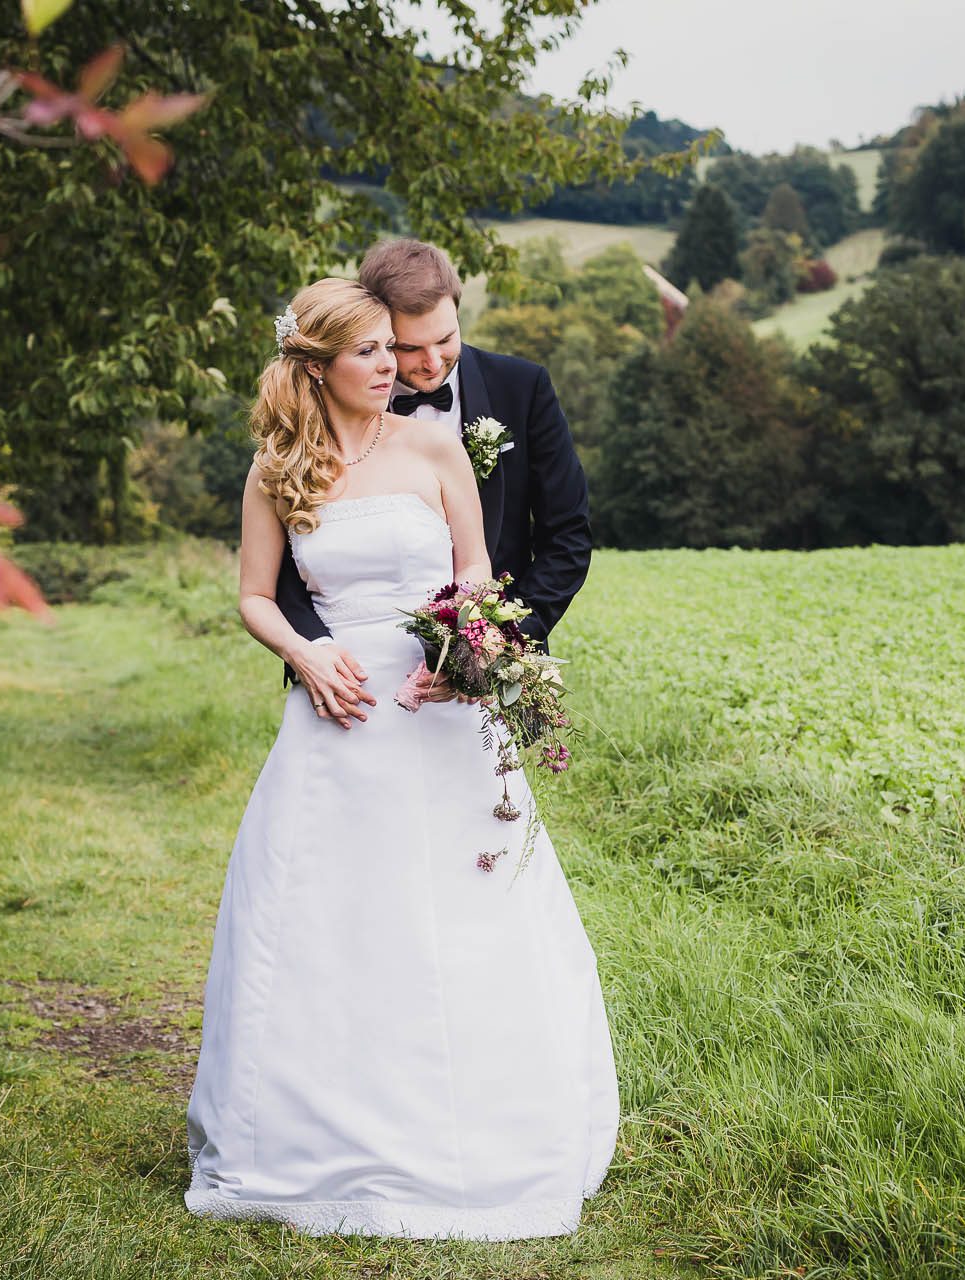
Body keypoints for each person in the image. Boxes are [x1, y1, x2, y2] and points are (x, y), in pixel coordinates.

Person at [183, 277, 618, 1239]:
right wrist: (303, 652)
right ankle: (309, 1132)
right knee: (333, 916)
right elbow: (256, 595)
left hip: (440, 708)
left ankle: (485, 1125)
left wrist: (467, 652)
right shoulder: (274, 469)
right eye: (372, 352)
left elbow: (473, 571)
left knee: (467, 910)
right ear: (317, 367)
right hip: (338, 712)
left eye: (397, 348)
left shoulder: (433, 446)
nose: (396, 367)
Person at [273, 237, 593, 728]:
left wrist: (488, 647)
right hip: (349, 684)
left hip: (483, 674)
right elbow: (288, 558)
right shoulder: (314, 421)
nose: (432, 361)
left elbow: (566, 537)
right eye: (408, 347)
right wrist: (313, 650)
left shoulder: (522, 388)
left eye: (446, 339)